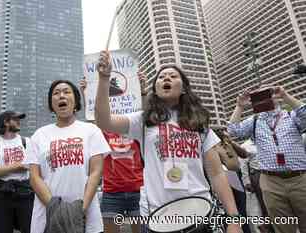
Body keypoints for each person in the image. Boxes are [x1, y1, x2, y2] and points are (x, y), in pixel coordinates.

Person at [95, 51, 242, 233]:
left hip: (200, 214)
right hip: (157, 218)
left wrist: (234, 219)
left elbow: (217, 173)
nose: (167, 78)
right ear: (155, 89)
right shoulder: (143, 120)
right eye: (161, 77)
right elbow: (104, 121)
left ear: (184, 89)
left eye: (173, 76)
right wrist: (104, 79)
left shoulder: (198, 122)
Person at [27, 80, 110, 233]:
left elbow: (95, 172)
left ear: (76, 101)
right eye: (56, 93)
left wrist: (79, 211)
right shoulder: (38, 136)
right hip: (46, 220)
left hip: (87, 220)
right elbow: (34, 177)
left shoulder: (91, 131)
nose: (61, 96)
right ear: (51, 103)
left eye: (67, 91)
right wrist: (57, 210)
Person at [228, 86, 306, 233]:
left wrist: (285, 95)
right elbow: (233, 130)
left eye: (268, 94)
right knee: (283, 226)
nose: (266, 98)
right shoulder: (255, 121)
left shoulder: (291, 116)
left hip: (300, 179)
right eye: (260, 96)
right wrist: (239, 106)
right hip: (271, 181)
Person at [79, 77, 144, 233]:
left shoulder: (135, 126)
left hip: (139, 191)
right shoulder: (102, 131)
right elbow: (92, 116)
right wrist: (85, 94)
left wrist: (141, 90)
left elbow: (145, 112)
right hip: (112, 193)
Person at [0, 111, 34, 233]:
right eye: (15, 119)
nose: (19, 122)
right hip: (2, 195)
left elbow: (33, 164)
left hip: (25, 193)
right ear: (6, 122)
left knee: (31, 229)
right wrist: (17, 166)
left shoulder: (27, 142)